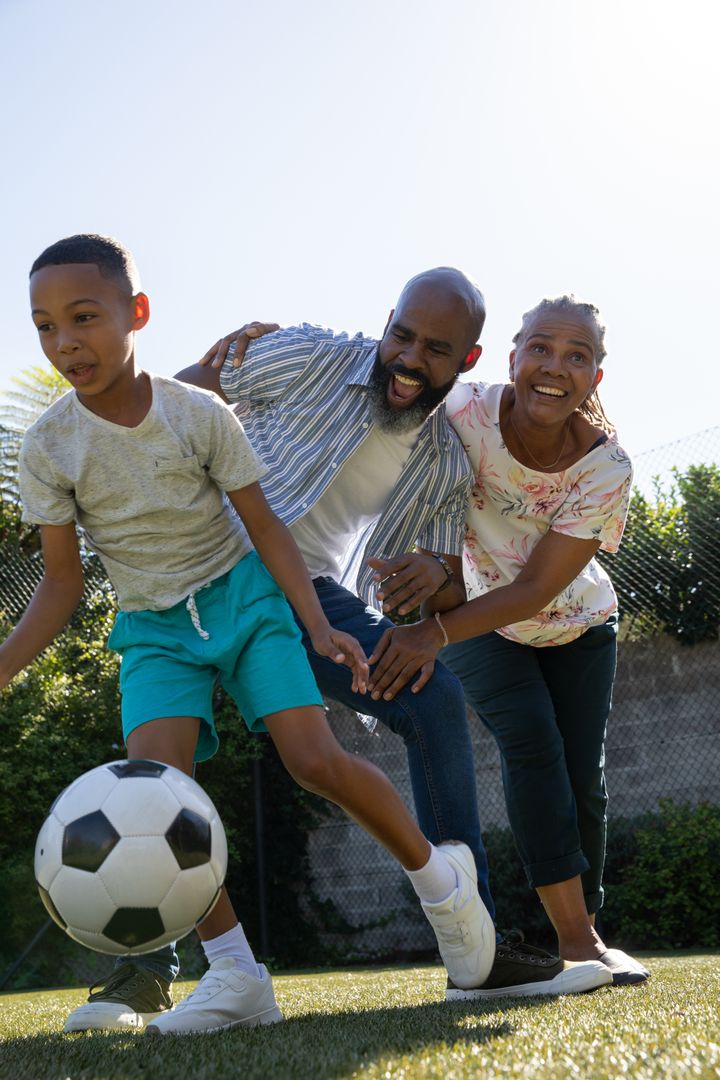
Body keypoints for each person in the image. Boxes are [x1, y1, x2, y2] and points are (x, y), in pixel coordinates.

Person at [0, 235, 496, 1036]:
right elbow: (61, 584)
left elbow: (269, 534)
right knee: (154, 798)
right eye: (45, 326)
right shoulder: (55, 445)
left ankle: (448, 887)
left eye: (83, 318)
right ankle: (232, 974)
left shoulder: (428, 451)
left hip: (256, 595)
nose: (64, 343)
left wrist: (326, 623)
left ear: (136, 313)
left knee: (316, 760)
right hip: (156, 624)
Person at [169, 268, 611, 1002]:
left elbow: (427, 583)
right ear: (386, 322)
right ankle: (145, 970)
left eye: (436, 349)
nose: (409, 359)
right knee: (160, 763)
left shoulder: (441, 458)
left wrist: (433, 576)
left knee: (432, 695)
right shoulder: (308, 353)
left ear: (467, 361)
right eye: (401, 335)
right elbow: (177, 397)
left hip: (303, 597)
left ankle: (476, 949)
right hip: (197, 572)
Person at [366, 294, 649, 988]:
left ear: (595, 379)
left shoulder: (605, 468)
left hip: (573, 624)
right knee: (531, 742)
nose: (555, 366)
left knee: (583, 777)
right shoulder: (463, 413)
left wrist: (430, 631)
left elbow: (535, 590)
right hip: (472, 618)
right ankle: (577, 944)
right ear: (512, 356)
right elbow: (387, 381)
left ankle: (588, 923)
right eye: (542, 349)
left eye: (577, 356)